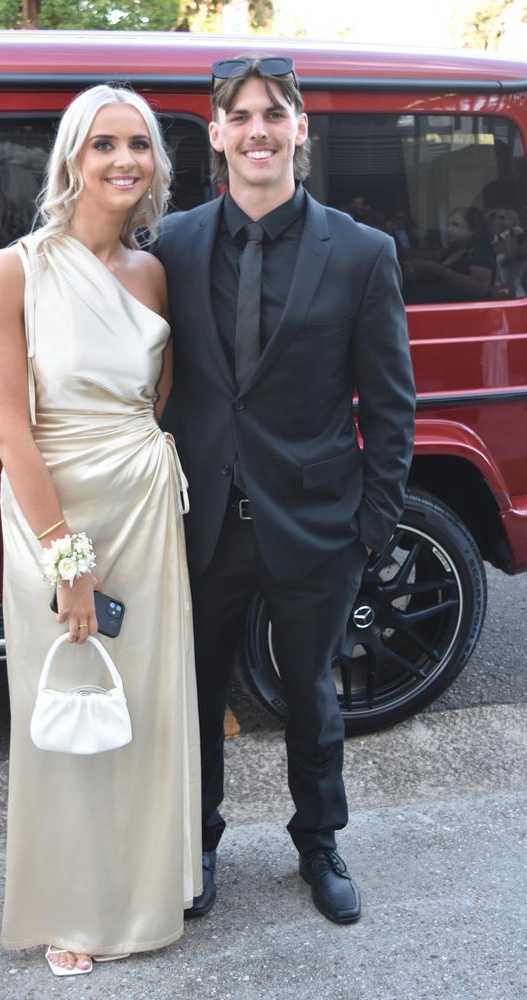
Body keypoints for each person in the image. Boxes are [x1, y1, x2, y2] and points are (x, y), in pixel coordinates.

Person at [155, 55, 415, 925]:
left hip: (316, 525)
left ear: (301, 128)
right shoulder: (174, 244)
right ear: (216, 132)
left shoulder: (363, 251)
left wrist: (372, 525)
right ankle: (197, 843)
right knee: (193, 697)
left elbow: (389, 400)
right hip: (200, 526)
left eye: (275, 113)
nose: (258, 129)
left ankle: (320, 842)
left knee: (311, 694)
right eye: (241, 115)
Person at [0, 84, 201, 976]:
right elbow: (8, 429)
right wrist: (66, 558)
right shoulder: (14, 270)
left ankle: (146, 889)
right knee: (64, 699)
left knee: (140, 706)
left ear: (155, 163)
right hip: (53, 514)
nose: (122, 160)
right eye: (103, 143)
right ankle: (72, 905)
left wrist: (140, 464)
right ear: (72, 156)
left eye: (138, 145)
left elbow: (160, 395)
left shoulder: (151, 273)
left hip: (145, 508)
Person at [404, 206, 495, 303]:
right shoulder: (453, 251)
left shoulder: (480, 250)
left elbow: (480, 288)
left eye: (455, 225)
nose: (448, 230)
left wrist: (439, 270)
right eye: (448, 225)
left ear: (473, 229)